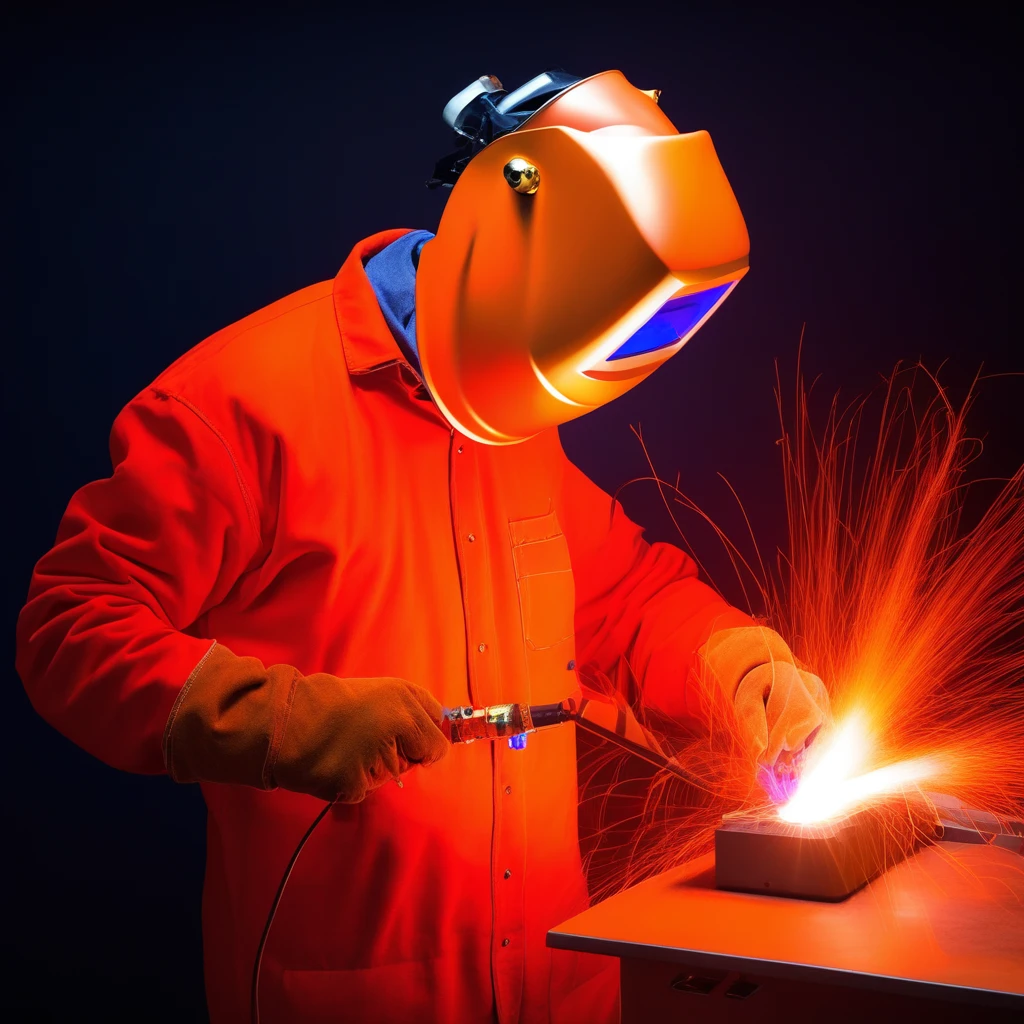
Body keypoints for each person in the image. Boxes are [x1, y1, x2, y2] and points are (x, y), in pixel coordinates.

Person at [16, 69, 829, 1024]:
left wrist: (735, 665)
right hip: (351, 995)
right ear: (504, 226)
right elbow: (72, 629)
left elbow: (621, 596)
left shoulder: (509, 419)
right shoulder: (240, 406)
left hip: (560, 987)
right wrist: (278, 719)